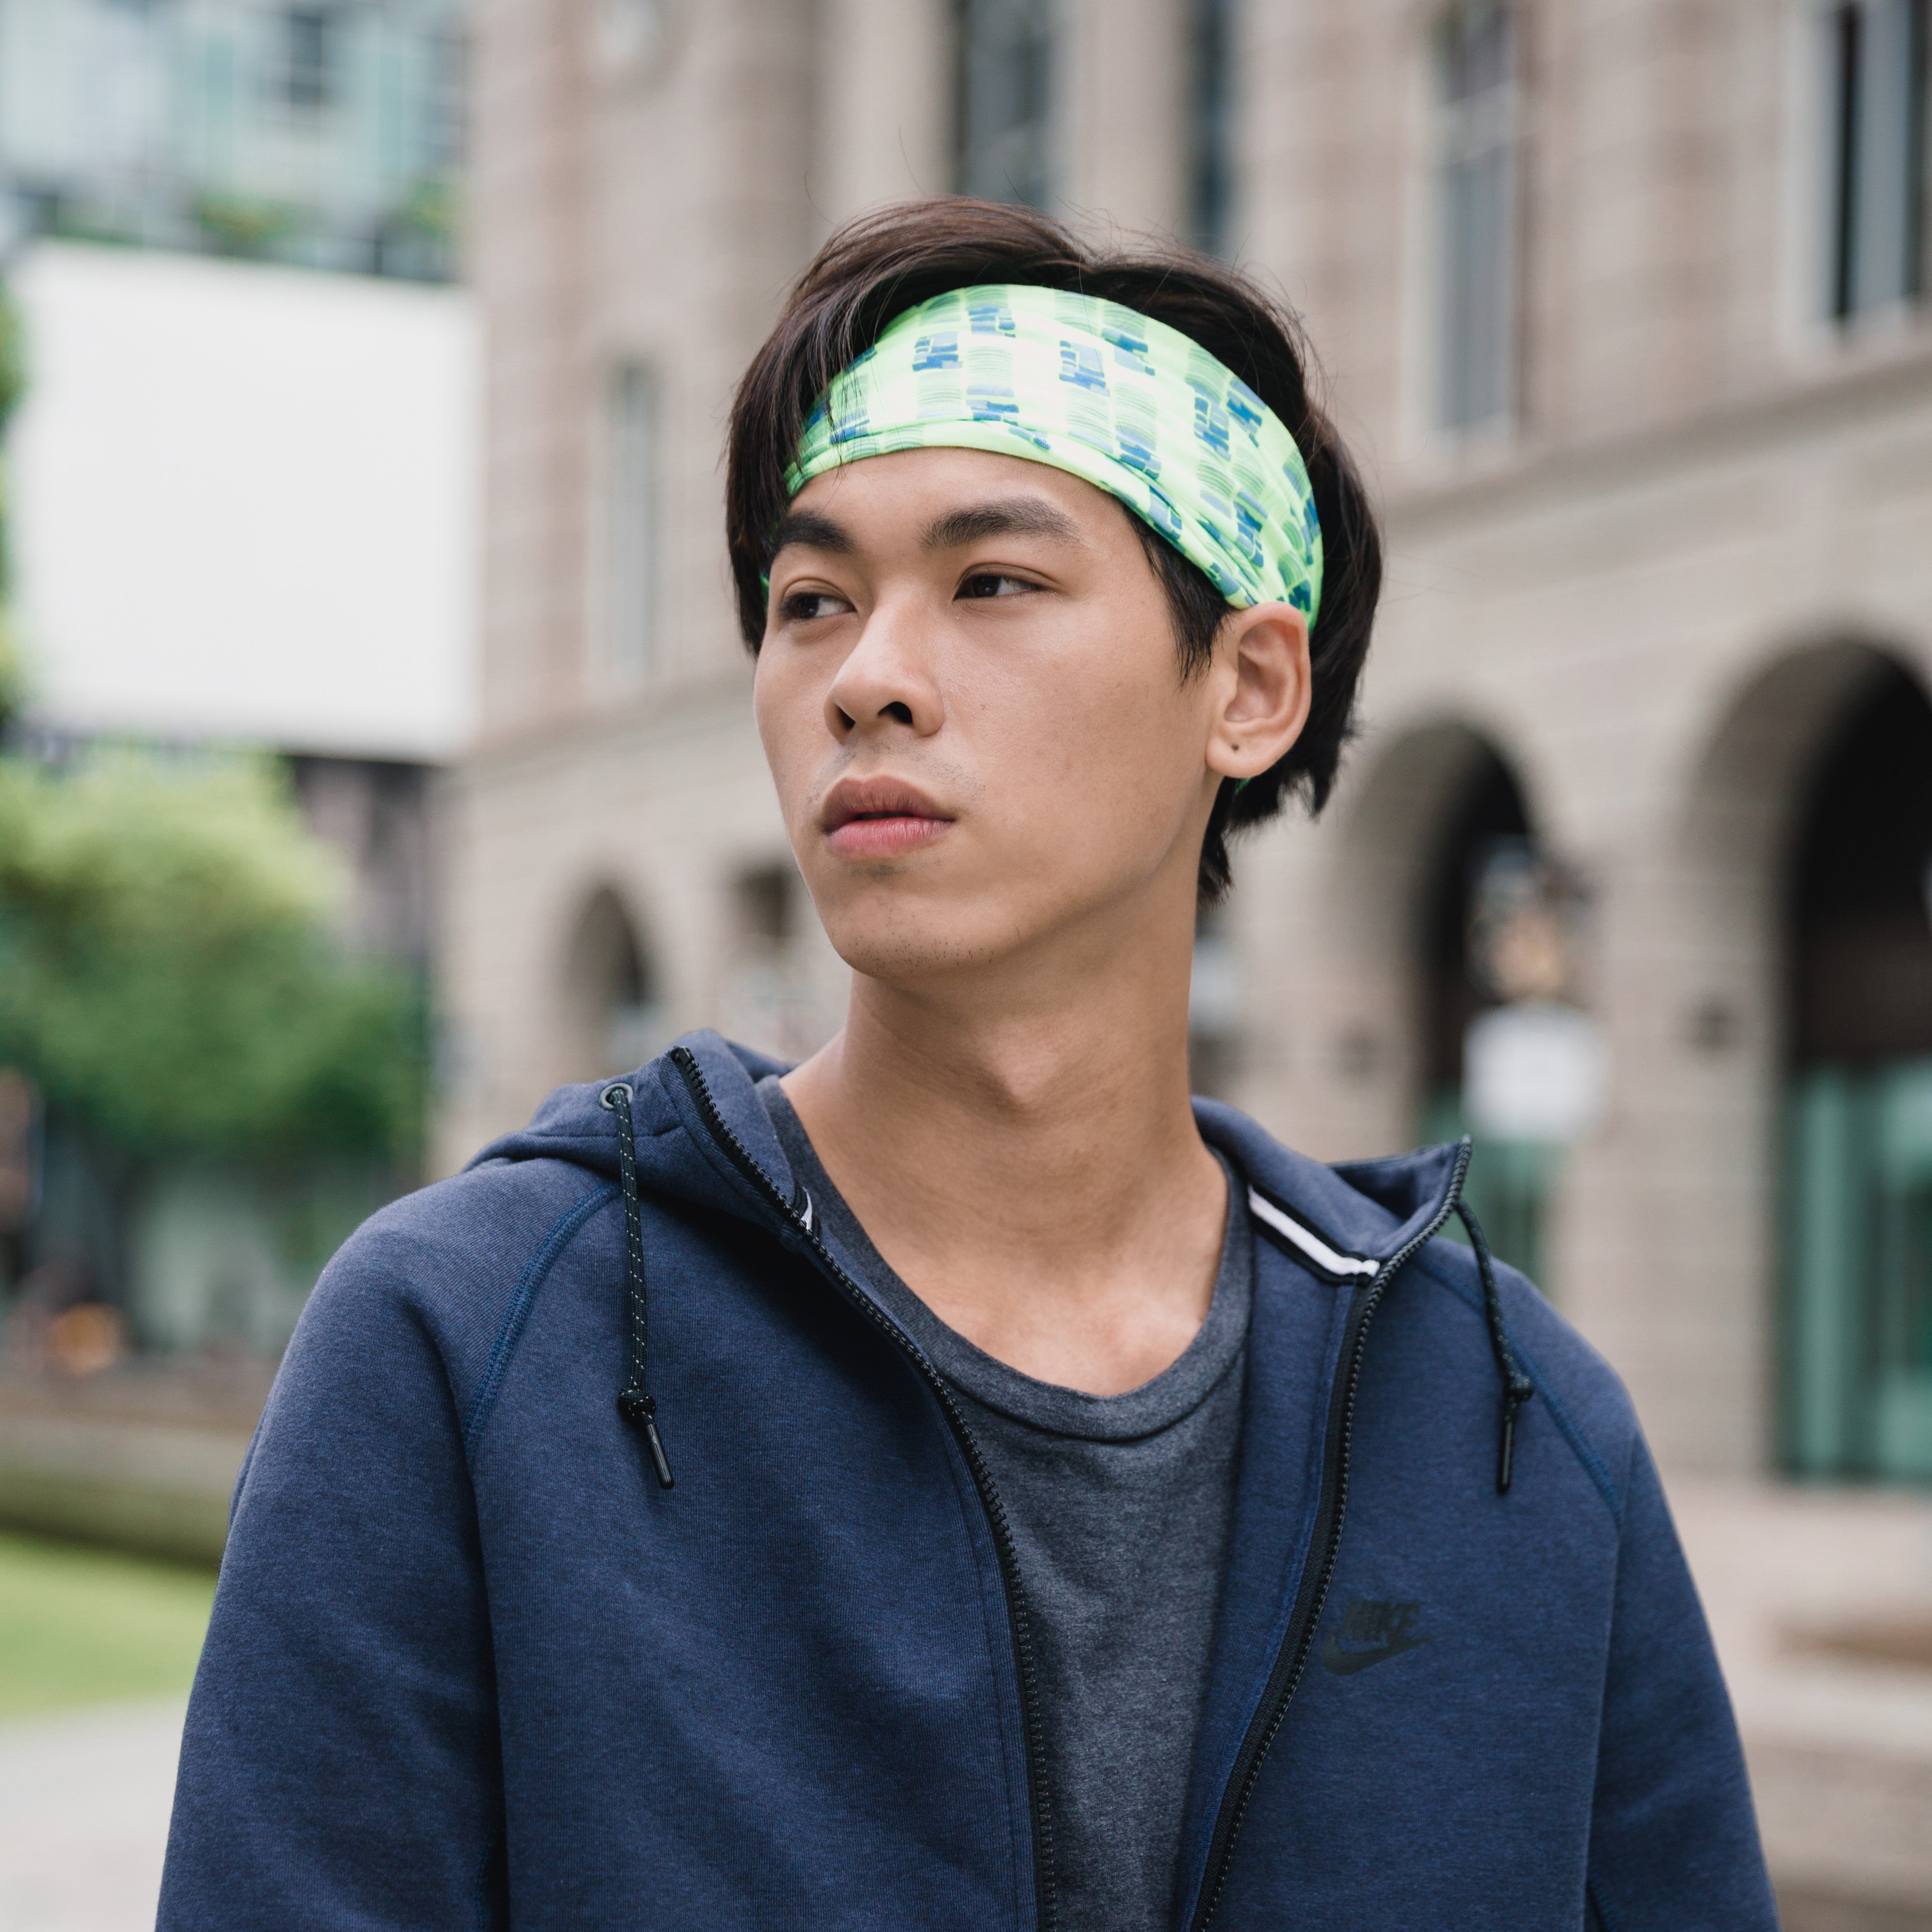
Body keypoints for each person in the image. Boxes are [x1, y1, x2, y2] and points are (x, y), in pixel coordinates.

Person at [159, 200, 1778, 1931]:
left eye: (993, 582)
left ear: (1248, 686)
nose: (867, 678)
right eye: (810, 601)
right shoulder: (471, 1341)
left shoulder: (1516, 1426)